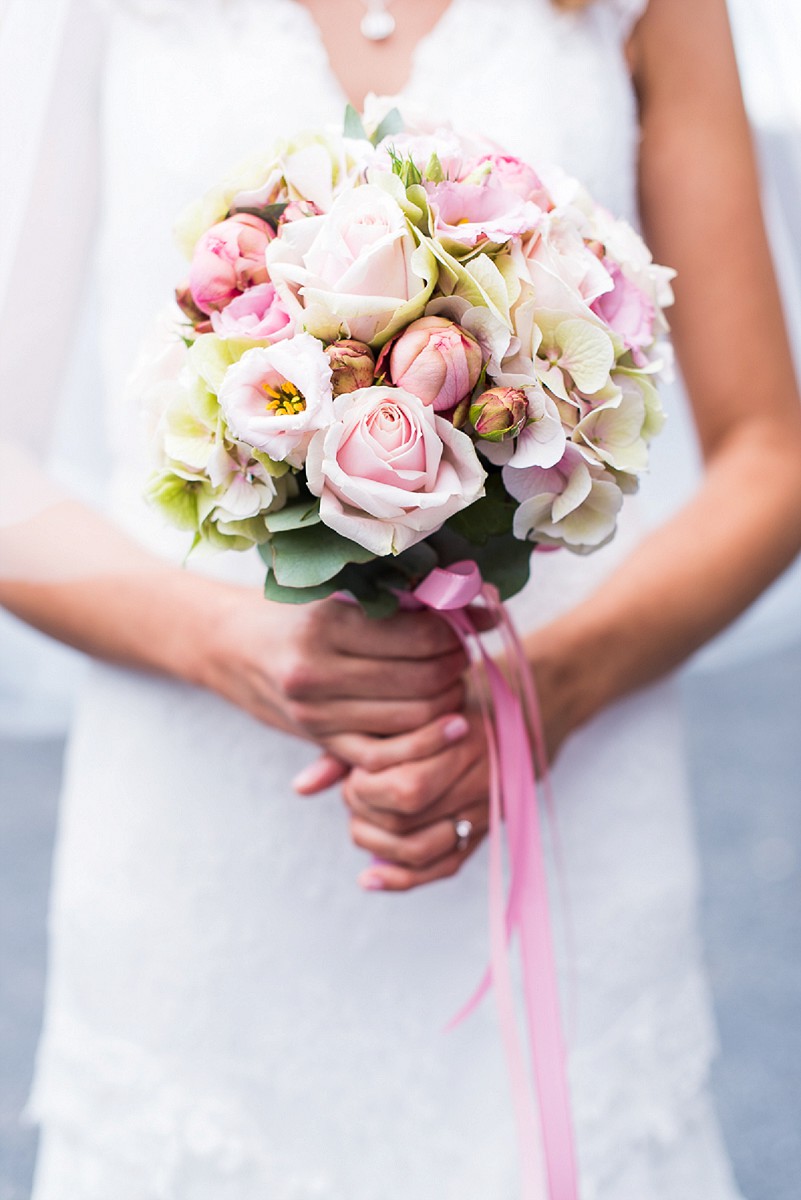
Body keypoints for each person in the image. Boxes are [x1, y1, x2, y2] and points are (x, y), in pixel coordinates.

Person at [1, 0, 800, 1195]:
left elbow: (771, 455)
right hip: (202, 869)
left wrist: (546, 692)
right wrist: (233, 641)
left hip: (563, 818)